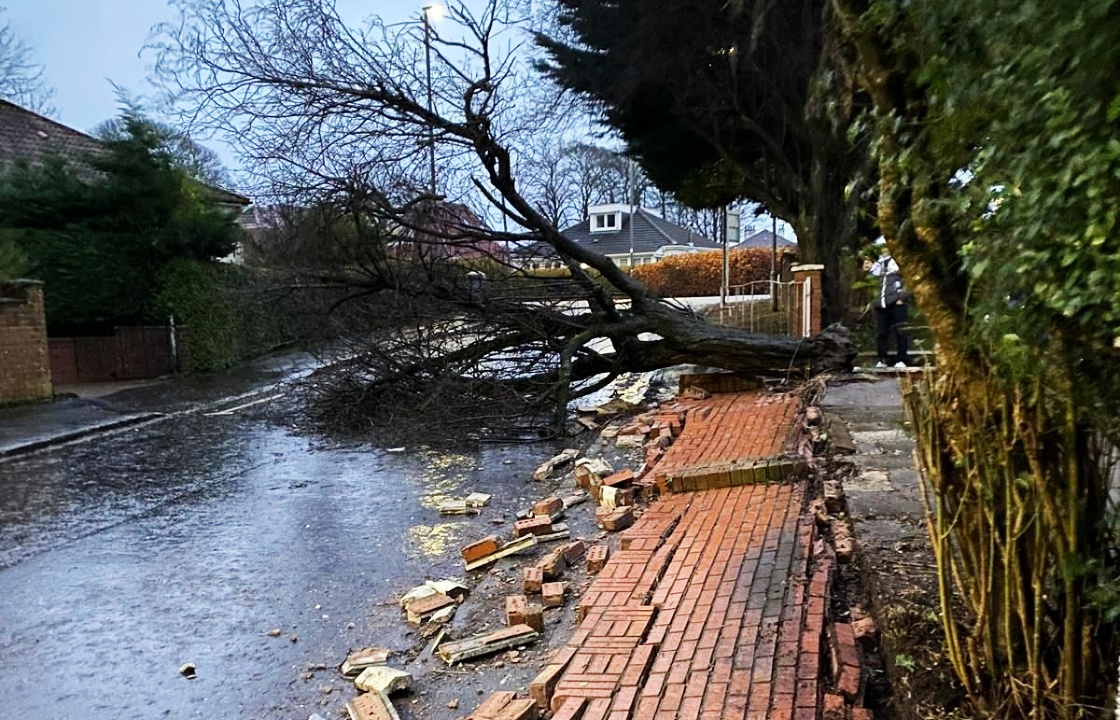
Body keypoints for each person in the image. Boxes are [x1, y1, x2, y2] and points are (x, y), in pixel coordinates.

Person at [863, 251, 909, 369]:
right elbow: (874, 273)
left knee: (901, 331)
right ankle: (882, 359)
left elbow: (909, 281)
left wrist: (901, 297)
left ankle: (902, 359)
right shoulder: (880, 263)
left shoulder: (902, 260)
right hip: (881, 303)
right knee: (881, 333)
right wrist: (869, 266)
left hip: (897, 302)